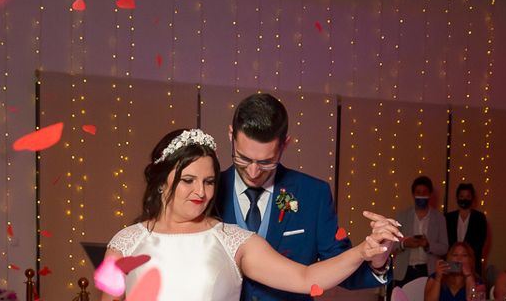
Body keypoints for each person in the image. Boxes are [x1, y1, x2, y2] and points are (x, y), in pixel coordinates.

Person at [100, 128, 402, 301]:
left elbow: (306, 277)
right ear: (160, 180)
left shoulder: (232, 241)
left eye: (208, 181)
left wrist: (364, 250)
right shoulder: (126, 243)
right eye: (188, 180)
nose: (201, 193)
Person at [215, 93, 394, 301]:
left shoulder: (313, 194)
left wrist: (377, 260)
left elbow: (338, 267)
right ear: (231, 135)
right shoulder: (209, 192)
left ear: (285, 144)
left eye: (266, 162)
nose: (253, 171)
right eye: (243, 158)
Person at [394, 175, 449, 287]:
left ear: (430, 194)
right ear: (413, 194)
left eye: (424, 192)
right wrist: (404, 243)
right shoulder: (402, 216)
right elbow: (391, 245)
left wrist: (428, 245)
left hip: (428, 271)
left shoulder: (439, 218)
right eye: (418, 192)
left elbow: (444, 248)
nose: (421, 195)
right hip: (404, 272)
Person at [445, 183, 487, 276]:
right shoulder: (448, 217)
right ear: (457, 198)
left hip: (472, 263)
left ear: (472, 198)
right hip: (452, 263)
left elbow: (480, 242)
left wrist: (466, 257)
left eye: (468, 196)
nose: (465, 199)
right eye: (461, 196)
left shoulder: (479, 218)